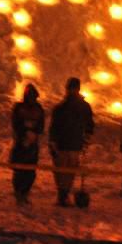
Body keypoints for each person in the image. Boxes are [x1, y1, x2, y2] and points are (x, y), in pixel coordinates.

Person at [49, 77, 94, 207]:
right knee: (61, 172)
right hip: (62, 145)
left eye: (74, 88)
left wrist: (87, 137)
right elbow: (54, 126)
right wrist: (53, 142)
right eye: (71, 88)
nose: (72, 91)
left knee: (69, 172)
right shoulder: (60, 108)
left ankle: (64, 194)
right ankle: (62, 195)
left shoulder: (84, 107)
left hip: (75, 144)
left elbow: (89, 124)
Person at [10, 83, 45, 205]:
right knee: (19, 170)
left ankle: (25, 193)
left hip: (32, 144)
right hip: (21, 143)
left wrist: (34, 134)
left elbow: (41, 124)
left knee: (30, 171)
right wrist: (24, 134)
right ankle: (19, 193)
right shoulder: (19, 108)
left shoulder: (38, 109)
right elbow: (16, 123)